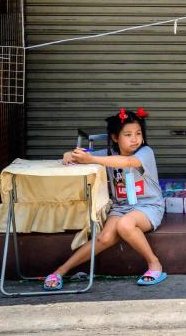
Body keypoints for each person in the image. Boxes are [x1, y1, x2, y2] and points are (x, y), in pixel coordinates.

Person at [43, 107, 166, 290]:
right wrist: (70, 155)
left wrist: (91, 159)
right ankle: (60, 271)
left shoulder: (145, 153)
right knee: (105, 238)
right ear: (116, 137)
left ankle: (154, 263)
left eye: (138, 133)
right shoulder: (107, 155)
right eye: (128, 134)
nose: (135, 138)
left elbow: (128, 163)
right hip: (121, 207)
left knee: (125, 224)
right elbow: (81, 155)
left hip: (148, 207)